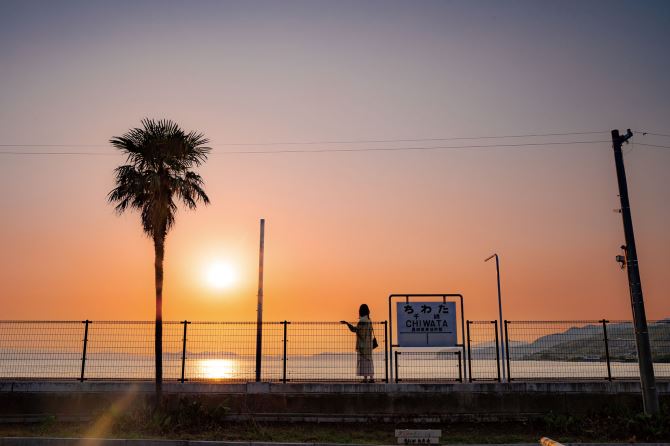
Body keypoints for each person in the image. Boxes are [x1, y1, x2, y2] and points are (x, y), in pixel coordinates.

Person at [340, 304, 375, 383]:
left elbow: (355, 330)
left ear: (360, 312)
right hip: (369, 345)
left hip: (362, 345)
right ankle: (371, 378)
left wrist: (347, 324)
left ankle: (365, 378)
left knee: (363, 362)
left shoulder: (361, 322)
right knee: (369, 361)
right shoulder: (369, 321)